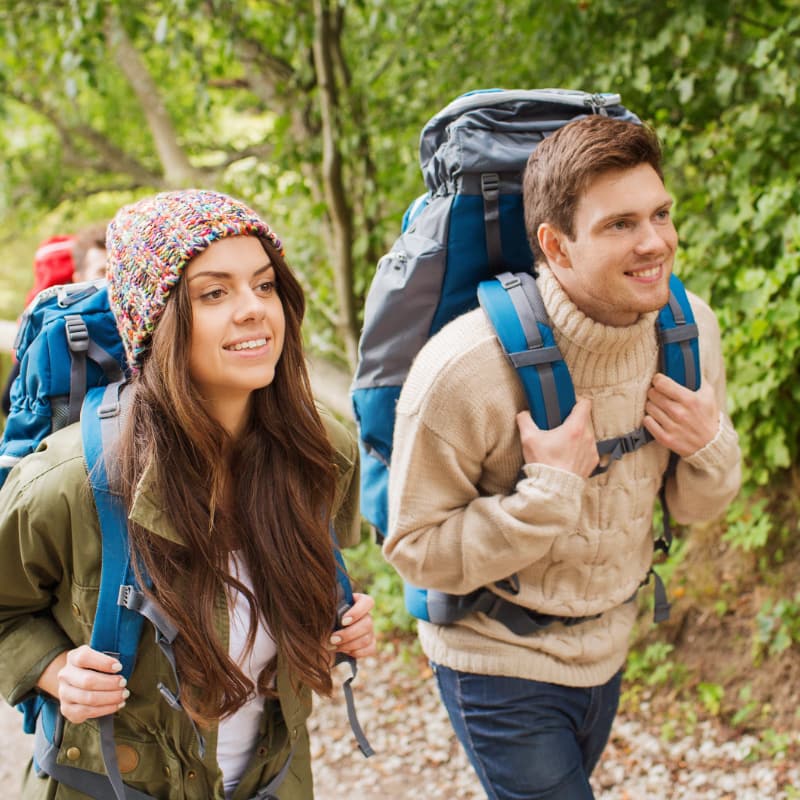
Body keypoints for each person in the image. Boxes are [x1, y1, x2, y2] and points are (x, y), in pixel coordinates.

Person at [383, 116, 741, 800]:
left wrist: (708, 446)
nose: (656, 242)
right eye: (620, 225)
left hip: (607, 643)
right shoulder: (465, 369)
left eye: (661, 214)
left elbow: (693, 507)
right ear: (556, 245)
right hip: (494, 657)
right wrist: (547, 493)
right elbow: (415, 547)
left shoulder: (690, 329)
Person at [0, 189, 376, 799]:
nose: (254, 309)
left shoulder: (321, 452)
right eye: (214, 292)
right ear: (157, 323)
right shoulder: (68, 482)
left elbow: (310, 586)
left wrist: (338, 619)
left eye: (265, 284)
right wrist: (51, 669)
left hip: (272, 782)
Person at [1, 224, 108, 416]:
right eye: (101, 272)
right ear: (78, 279)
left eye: (116, 272)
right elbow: (10, 402)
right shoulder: (53, 329)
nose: (109, 281)